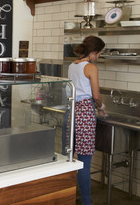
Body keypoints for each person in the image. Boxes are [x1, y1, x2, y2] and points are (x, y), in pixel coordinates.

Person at [67, 35, 107, 205]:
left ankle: (68, 196)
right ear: (92, 52)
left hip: (71, 112)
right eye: (98, 54)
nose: (98, 57)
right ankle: (86, 202)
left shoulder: (71, 65)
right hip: (85, 114)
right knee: (84, 162)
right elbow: (96, 96)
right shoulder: (90, 67)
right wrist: (101, 108)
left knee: (70, 159)